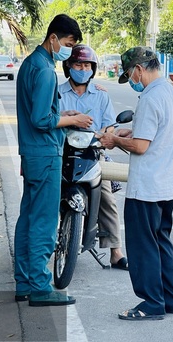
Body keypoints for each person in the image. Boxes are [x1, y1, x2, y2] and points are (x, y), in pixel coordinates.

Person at [99, 46, 173, 321]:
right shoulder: (170, 92)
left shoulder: (149, 98)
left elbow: (140, 146)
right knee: (161, 243)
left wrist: (114, 140)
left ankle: (151, 303)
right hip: (166, 184)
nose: (131, 80)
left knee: (143, 246)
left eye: (129, 74)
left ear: (137, 69)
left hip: (147, 186)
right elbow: (154, 134)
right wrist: (129, 132)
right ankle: (169, 298)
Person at [14, 14, 91, 307]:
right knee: (44, 223)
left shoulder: (31, 63)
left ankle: (23, 282)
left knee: (28, 219)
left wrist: (67, 117)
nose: (69, 51)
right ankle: (39, 286)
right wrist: (72, 118)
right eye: (68, 44)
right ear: (54, 38)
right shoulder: (46, 71)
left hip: (32, 152)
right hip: (45, 153)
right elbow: (41, 118)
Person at [58, 44, 128, 270]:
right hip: (63, 154)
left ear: (93, 68)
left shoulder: (100, 95)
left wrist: (105, 138)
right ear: (69, 67)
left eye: (87, 65)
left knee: (106, 197)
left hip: (92, 154)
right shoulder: (57, 93)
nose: (82, 68)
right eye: (78, 64)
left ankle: (116, 251)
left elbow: (109, 127)